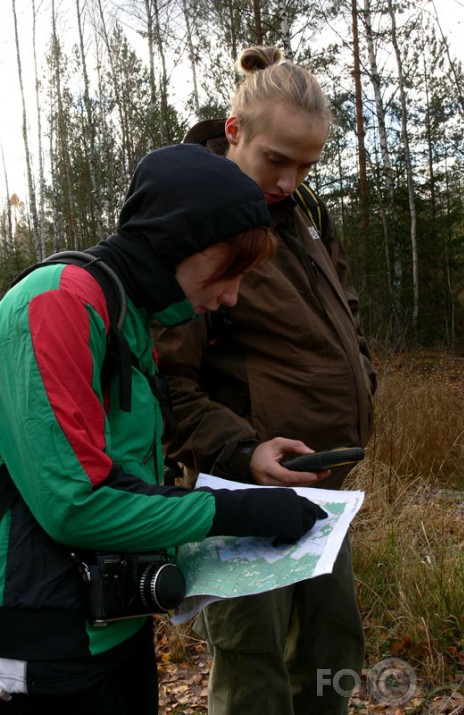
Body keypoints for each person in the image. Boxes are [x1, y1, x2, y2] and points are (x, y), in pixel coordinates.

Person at [0, 143, 326, 715]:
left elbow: (128, 478)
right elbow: (75, 503)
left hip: (116, 622)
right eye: (229, 272)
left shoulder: (128, 316)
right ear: (178, 243)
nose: (231, 295)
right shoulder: (57, 304)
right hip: (45, 639)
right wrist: (230, 513)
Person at [153, 47, 377, 715]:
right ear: (233, 131)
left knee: (332, 652)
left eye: (305, 164)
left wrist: (361, 369)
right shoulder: (194, 223)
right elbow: (163, 379)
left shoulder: (303, 213)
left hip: (321, 490)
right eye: (275, 160)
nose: (287, 178)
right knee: (255, 677)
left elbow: (344, 307)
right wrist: (241, 448)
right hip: (238, 494)